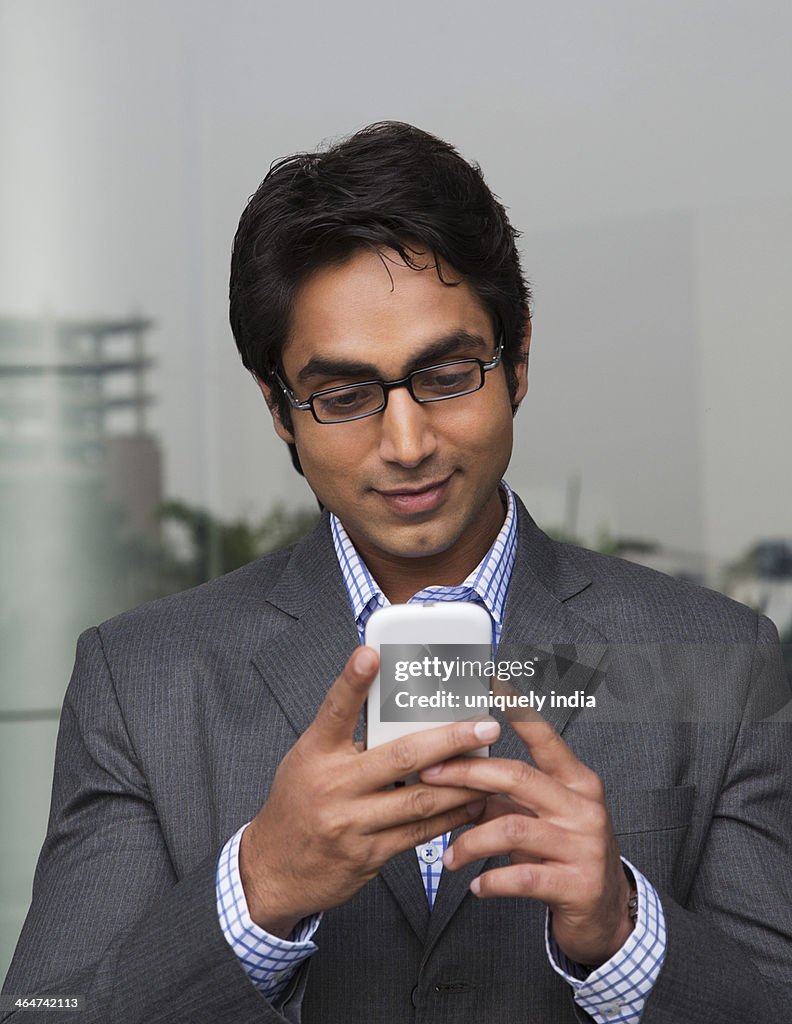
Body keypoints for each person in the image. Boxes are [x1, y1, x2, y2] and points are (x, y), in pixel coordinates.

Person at [2, 122, 790, 1024]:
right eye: (343, 397)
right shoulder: (140, 683)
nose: (407, 443)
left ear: (518, 360)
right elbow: (45, 1009)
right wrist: (257, 887)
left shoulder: (718, 661)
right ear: (278, 410)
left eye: (448, 375)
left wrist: (623, 931)